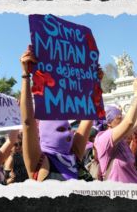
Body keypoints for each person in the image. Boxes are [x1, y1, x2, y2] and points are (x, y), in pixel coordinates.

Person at [18, 46, 99, 181]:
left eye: (68, 128)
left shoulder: (74, 154)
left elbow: (89, 115)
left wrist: (95, 82)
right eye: (61, 129)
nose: (68, 133)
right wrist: (26, 75)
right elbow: (28, 123)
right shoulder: (39, 161)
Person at [93, 75, 137, 183]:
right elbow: (129, 122)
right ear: (108, 123)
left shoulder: (120, 139)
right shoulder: (103, 138)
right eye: (119, 118)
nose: (123, 119)